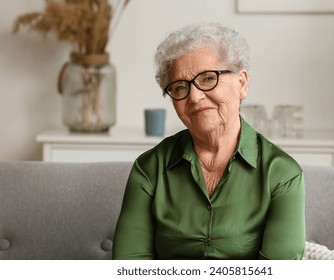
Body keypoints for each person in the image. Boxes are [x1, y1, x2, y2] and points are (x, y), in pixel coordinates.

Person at [113, 22, 305, 260]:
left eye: (207, 79)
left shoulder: (282, 174)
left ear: (242, 84)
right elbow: (129, 265)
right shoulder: (149, 169)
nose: (194, 96)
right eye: (180, 87)